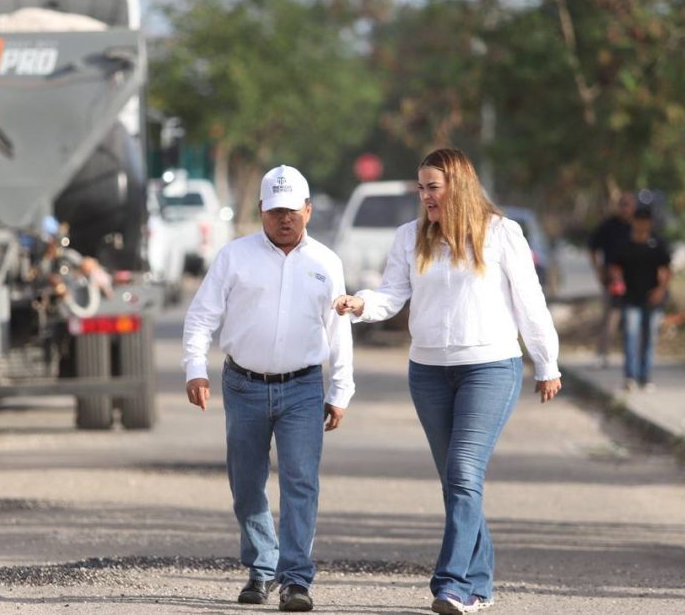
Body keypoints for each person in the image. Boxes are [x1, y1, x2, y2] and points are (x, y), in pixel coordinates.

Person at [333, 148, 561, 615]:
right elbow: (394, 294)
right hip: (429, 372)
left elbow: (530, 302)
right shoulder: (409, 237)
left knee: (462, 473)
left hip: (490, 368)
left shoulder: (501, 233)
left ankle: (452, 584)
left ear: (456, 185)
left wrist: (546, 361)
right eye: (421, 187)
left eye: (431, 187)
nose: (424, 196)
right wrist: (361, 305)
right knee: (459, 481)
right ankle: (480, 587)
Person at [182, 164, 354, 612]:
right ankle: (261, 568)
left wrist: (341, 390)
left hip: (302, 389)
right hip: (244, 385)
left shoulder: (325, 262)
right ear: (261, 210)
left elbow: (339, 332)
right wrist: (194, 369)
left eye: (293, 210)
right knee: (247, 483)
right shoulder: (234, 257)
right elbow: (202, 316)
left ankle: (296, 579)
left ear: (308, 210)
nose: (284, 218)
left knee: (301, 482)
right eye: (275, 210)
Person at [607, 206, 671, 392]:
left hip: (652, 299)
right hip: (630, 298)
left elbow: (666, 269)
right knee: (631, 336)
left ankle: (645, 377)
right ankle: (630, 377)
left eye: (645, 220)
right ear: (634, 221)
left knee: (649, 339)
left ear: (650, 222)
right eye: (639, 219)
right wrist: (617, 280)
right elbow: (614, 266)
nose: (642, 223)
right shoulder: (624, 243)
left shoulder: (657, 243)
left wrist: (661, 289)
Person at [588, 191, 636, 367]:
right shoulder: (609, 226)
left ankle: (634, 360)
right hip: (613, 279)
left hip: (635, 280)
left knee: (634, 320)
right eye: (622, 204)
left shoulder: (639, 226)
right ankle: (601, 355)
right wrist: (598, 270)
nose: (625, 208)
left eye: (628, 204)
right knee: (610, 317)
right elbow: (592, 248)